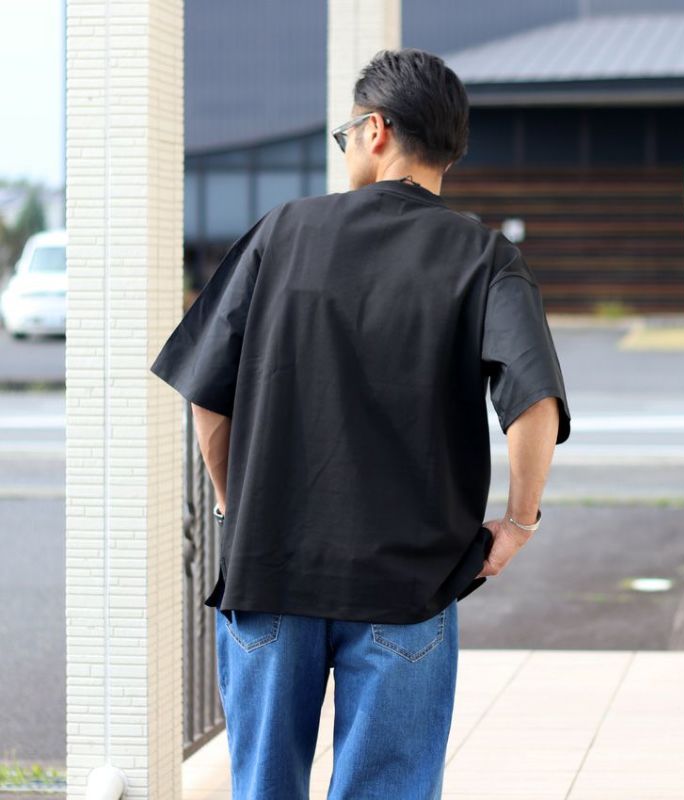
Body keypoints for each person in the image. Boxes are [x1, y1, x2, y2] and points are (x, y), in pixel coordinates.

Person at [150, 47, 570, 800]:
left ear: (376, 130)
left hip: (270, 567)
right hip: (406, 585)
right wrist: (518, 523)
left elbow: (207, 393)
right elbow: (533, 402)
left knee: (263, 786)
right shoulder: (484, 257)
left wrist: (234, 502)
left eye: (347, 134)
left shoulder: (282, 232)